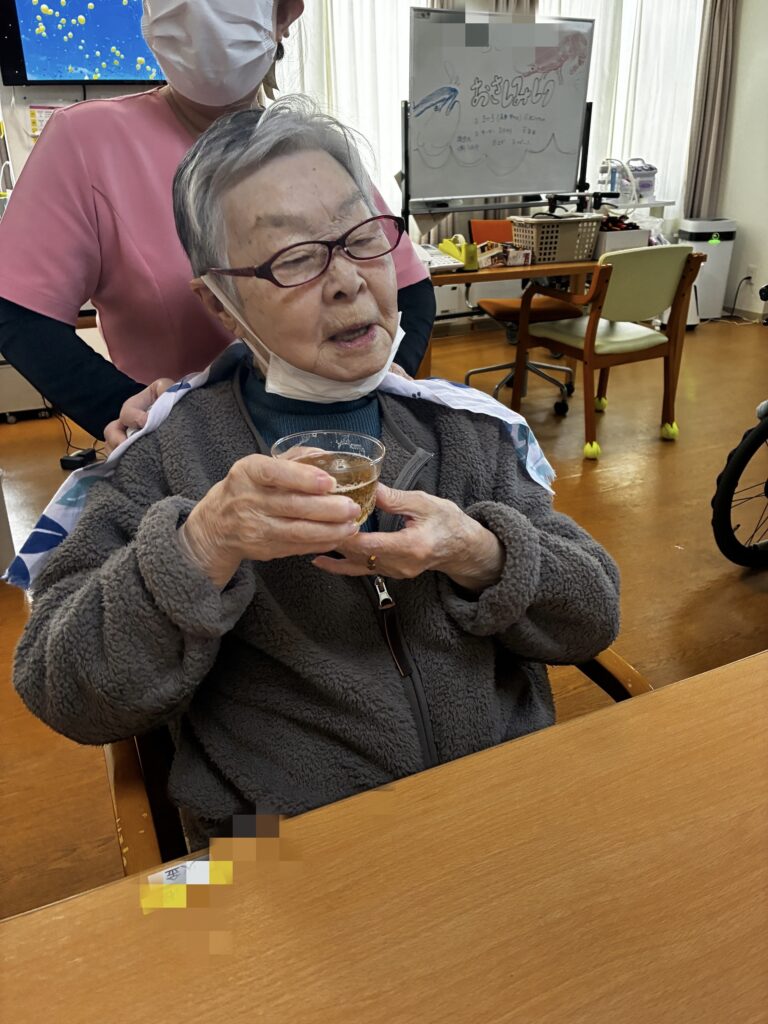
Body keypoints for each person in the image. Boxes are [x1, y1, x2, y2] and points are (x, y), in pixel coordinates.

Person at [12, 98, 619, 848]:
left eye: (362, 239)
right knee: (172, 919)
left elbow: (594, 617)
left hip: (497, 808)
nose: (348, 282)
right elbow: (64, 691)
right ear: (221, 304)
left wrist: (480, 552)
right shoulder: (164, 455)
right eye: (295, 259)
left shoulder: (469, 430)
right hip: (270, 847)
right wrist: (201, 545)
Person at [0, 0, 435, 448]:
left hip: (348, 435)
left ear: (284, 15)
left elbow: (409, 285)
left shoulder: (303, 145)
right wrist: (131, 413)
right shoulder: (88, 141)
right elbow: (19, 313)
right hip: (194, 447)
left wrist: (385, 382)